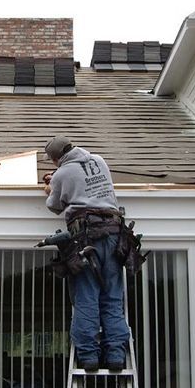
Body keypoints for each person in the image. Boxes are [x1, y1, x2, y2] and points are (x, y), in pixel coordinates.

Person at [43, 135, 129, 371]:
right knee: (112, 299)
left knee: (87, 297)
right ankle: (115, 356)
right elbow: (86, 185)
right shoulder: (99, 160)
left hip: (86, 238)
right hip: (114, 235)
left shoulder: (62, 173)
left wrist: (52, 186)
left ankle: (89, 357)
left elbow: (54, 205)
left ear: (56, 158)